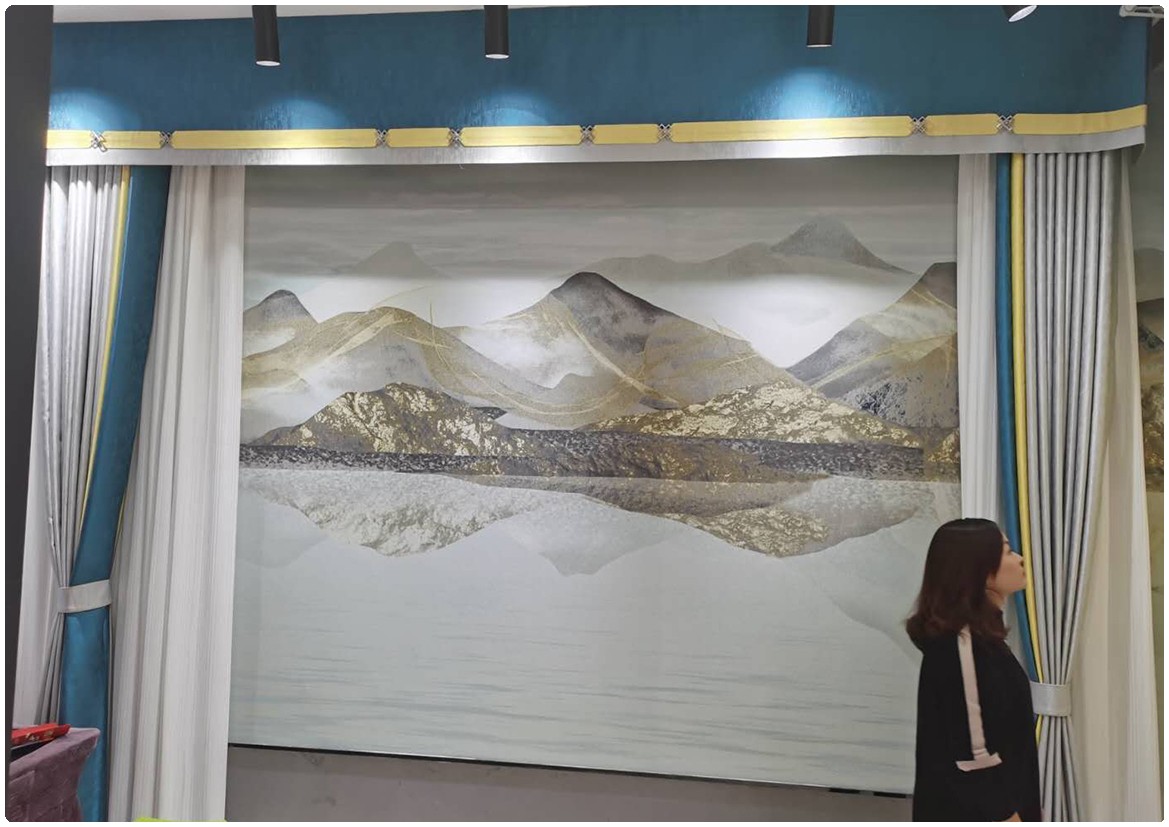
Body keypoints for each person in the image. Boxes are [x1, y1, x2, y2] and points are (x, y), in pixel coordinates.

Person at [905, 518, 1041, 822]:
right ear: (981, 571)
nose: (1019, 559)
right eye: (1007, 552)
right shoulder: (960, 645)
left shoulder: (983, 639)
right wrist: (1008, 816)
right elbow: (973, 755)